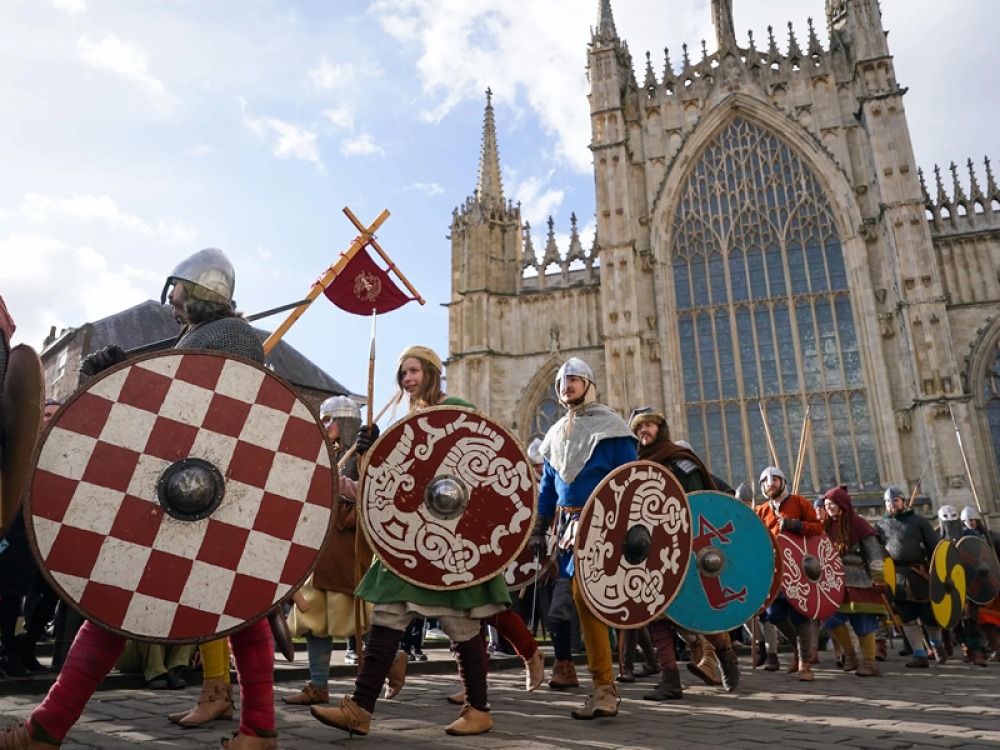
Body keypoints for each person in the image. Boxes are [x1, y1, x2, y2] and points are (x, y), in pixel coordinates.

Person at [2, 248, 281, 749]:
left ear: (196, 291)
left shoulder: (230, 337)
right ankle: (258, 729)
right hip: (182, 494)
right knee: (220, 608)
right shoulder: (195, 339)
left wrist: (130, 381)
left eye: (177, 290)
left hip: (209, 495)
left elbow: (205, 420)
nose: (171, 299)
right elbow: (161, 417)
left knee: (145, 604)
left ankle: (47, 729)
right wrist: (115, 378)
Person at [310, 345, 509, 737]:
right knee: (387, 614)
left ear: (432, 372)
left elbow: (482, 473)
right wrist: (372, 453)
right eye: (402, 373)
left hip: (453, 540)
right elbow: (392, 487)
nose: (407, 379)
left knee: (462, 624)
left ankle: (478, 709)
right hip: (414, 540)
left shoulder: (457, 410)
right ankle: (360, 708)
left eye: (414, 370)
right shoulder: (408, 423)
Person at [530, 357, 637, 720]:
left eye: (574, 380)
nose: (567, 386)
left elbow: (631, 478)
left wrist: (630, 527)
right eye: (562, 382)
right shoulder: (555, 435)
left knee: (588, 598)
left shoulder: (613, 427)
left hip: (607, 523)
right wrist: (539, 527)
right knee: (581, 599)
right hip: (568, 529)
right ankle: (603, 686)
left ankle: (605, 687)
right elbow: (548, 487)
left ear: (589, 385)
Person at [629, 410, 739, 700]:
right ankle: (670, 679)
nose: (643, 431)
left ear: (661, 429)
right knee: (656, 614)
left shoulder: (680, 462)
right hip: (652, 548)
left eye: (648, 425)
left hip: (684, 548)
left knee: (690, 612)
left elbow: (697, 506)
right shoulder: (637, 466)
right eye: (638, 428)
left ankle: (724, 651)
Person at [283, 396, 382, 705]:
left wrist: (338, 480)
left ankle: (391, 661)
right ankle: (318, 686)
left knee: (354, 618)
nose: (324, 426)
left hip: (345, 547)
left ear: (346, 423)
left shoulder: (364, 455)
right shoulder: (326, 452)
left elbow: (371, 493)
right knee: (313, 618)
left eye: (330, 420)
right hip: (319, 544)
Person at [755, 466, 823, 681]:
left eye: (774, 480)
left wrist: (796, 525)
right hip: (775, 571)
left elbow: (817, 528)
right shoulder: (761, 511)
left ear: (782, 482)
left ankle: (805, 664)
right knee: (774, 615)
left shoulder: (799, 503)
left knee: (800, 616)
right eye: (766, 482)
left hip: (798, 568)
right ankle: (799, 651)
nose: (770, 484)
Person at [821, 486, 887, 677]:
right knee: (831, 618)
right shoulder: (825, 526)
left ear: (842, 504)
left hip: (858, 580)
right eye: (826, 504)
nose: (829, 507)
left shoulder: (858, 523)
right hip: (834, 581)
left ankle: (869, 662)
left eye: (832, 503)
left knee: (863, 621)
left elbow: (874, 552)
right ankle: (850, 655)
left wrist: (878, 577)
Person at [875, 486, 943, 668]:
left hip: (919, 574)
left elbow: (935, 548)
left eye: (896, 500)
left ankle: (937, 646)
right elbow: (878, 552)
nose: (892, 504)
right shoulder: (881, 525)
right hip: (896, 576)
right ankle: (919, 655)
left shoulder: (919, 521)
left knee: (929, 616)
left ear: (903, 502)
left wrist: (933, 571)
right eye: (888, 502)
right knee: (907, 617)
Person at [115, 640, 194, 690]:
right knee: (152, 623)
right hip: (132, 650)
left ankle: (175, 668)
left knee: (184, 624)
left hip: (166, 654)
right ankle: (156, 670)